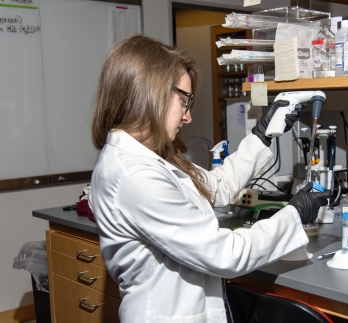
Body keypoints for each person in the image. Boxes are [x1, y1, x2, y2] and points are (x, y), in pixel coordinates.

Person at [90, 35, 329, 323]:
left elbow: (215, 187)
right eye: (184, 100)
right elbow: (225, 255)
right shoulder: (133, 174)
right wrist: (295, 214)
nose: (188, 116)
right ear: (150, 92)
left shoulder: (149, 156)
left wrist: (261, 136)